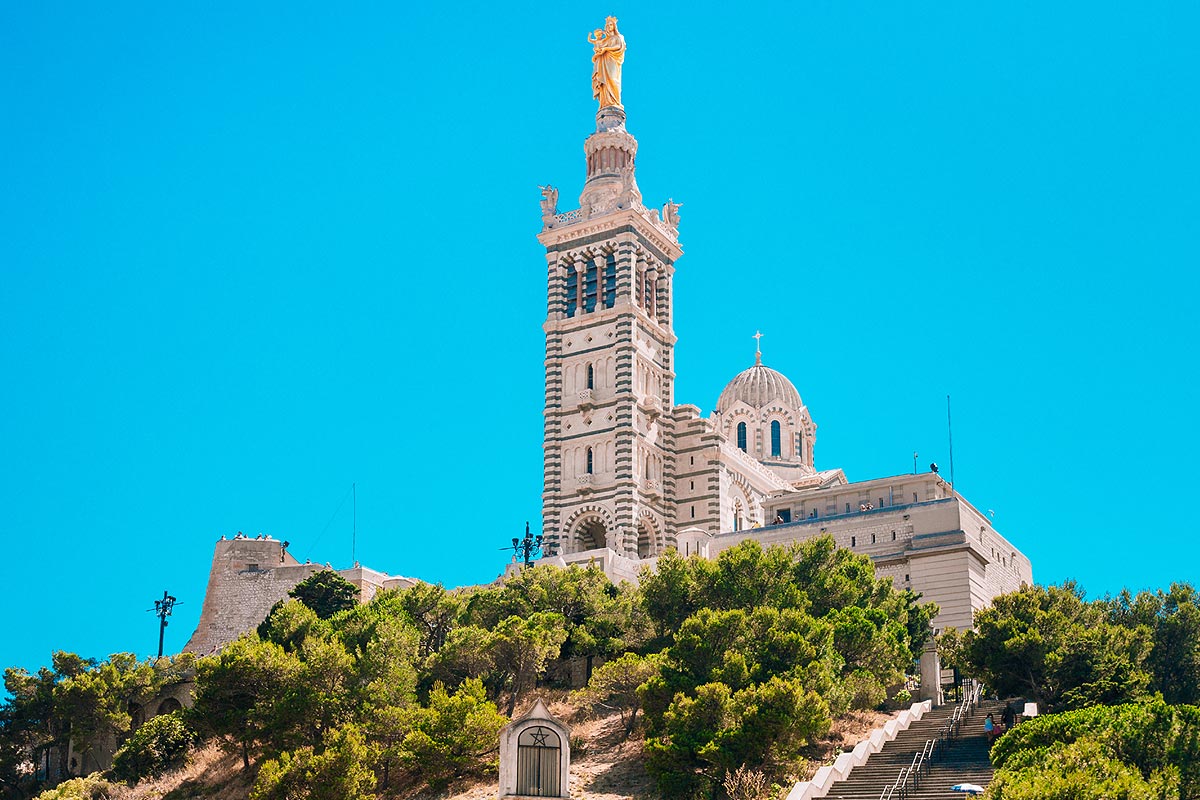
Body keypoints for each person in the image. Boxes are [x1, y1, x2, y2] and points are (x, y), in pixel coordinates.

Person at [589, 17, 626, 108]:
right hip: (603, 61)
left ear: (614, 26)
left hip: (613, 61)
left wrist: (606, 48)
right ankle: (605, 102)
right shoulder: (605, 40)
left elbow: (619, 46)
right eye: (607, 25)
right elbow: (598, 47)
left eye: (611, 24)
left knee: (613, 80)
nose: (609, 27)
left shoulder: (619, 37)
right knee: (604, 82)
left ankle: (615, 101)